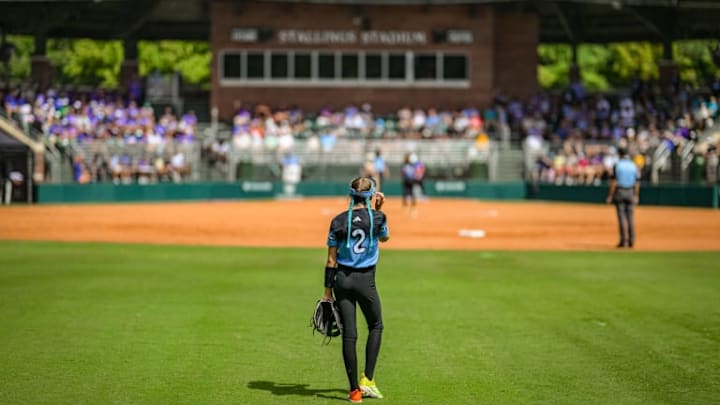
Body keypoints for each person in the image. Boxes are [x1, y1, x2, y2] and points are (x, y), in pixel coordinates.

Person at [322, 177, 390, 403]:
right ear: (370, 196)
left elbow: (331, 260)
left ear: (351, 195)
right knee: (376, 325)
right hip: (365, 282)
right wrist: (378, 210)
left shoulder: (338, 220)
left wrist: (327, 292)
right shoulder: (378, 217)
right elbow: (385, 237)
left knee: (349, 336)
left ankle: (354, 392)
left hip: (341, 280)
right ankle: (368, 380)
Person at [605, 147, 640, 248]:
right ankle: (631, 241)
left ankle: (623, 241)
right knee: (630, 218)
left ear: (620, 154)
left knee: (622, 218)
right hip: (630, 192)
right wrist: (636, 195)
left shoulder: (617, 165)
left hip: (620, 191)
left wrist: (610, 196)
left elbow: (614, 182)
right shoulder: (634, 165)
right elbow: (637, 183)